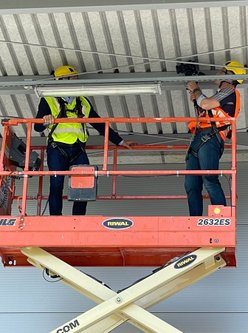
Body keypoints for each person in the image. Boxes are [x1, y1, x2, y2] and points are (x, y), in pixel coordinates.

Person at [34, 65, 135, 216]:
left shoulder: (83, 102)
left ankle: (78, 219)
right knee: (56, 184)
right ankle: (55, 219)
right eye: (74, 78)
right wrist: (45, 121)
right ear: (62, 80)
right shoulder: (48, 99)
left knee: (85, 183)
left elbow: (100, 124)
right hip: (57, 149)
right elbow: (37, 127)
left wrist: (119, 141)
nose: (76, 81)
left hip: (78, 150)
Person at [185, 60, 246, 216]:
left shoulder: (229, 91)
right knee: (191, 185)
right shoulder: (222, 95)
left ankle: (220, 219)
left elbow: (205, 104)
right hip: (200, 138)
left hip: (210, 138)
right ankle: (195, 222)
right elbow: (204, 106)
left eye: (222, 70)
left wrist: (197, 90)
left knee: (209, 179)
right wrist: (196, 95)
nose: (218, 73)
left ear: (230, 76)